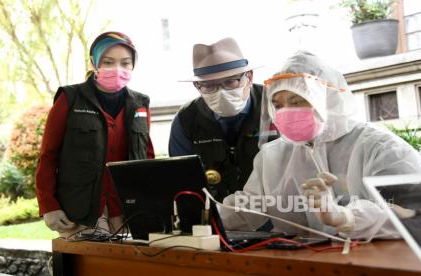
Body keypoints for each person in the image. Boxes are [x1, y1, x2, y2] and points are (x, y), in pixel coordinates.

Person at [221, 51, 421, 240]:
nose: (286, 112)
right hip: (301, 264)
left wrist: (346, 217)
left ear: (329, 100)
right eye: (278, 105)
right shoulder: (273, 156)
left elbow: (418, 212)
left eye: (296, 101)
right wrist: (202, 214)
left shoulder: (381, 147)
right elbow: (249, 208)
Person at [35, 31, 155, 237]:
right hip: (81, 211)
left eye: (125, 63)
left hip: (127, 209)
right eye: (108, 62)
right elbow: (48, 156)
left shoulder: (140, 104)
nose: (117, 69)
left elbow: (148, 158)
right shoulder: (69, 99)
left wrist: (153, 202)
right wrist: (48, 206)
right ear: (94, 62)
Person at [168, 37, 277, 202]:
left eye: (230, 81)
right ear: (197, 86)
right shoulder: (186, 121)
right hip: (215, 214)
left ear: (249, 77)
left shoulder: (276, 104)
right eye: (209, 85)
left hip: (276, 211)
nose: (221, 92)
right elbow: (183, 179)